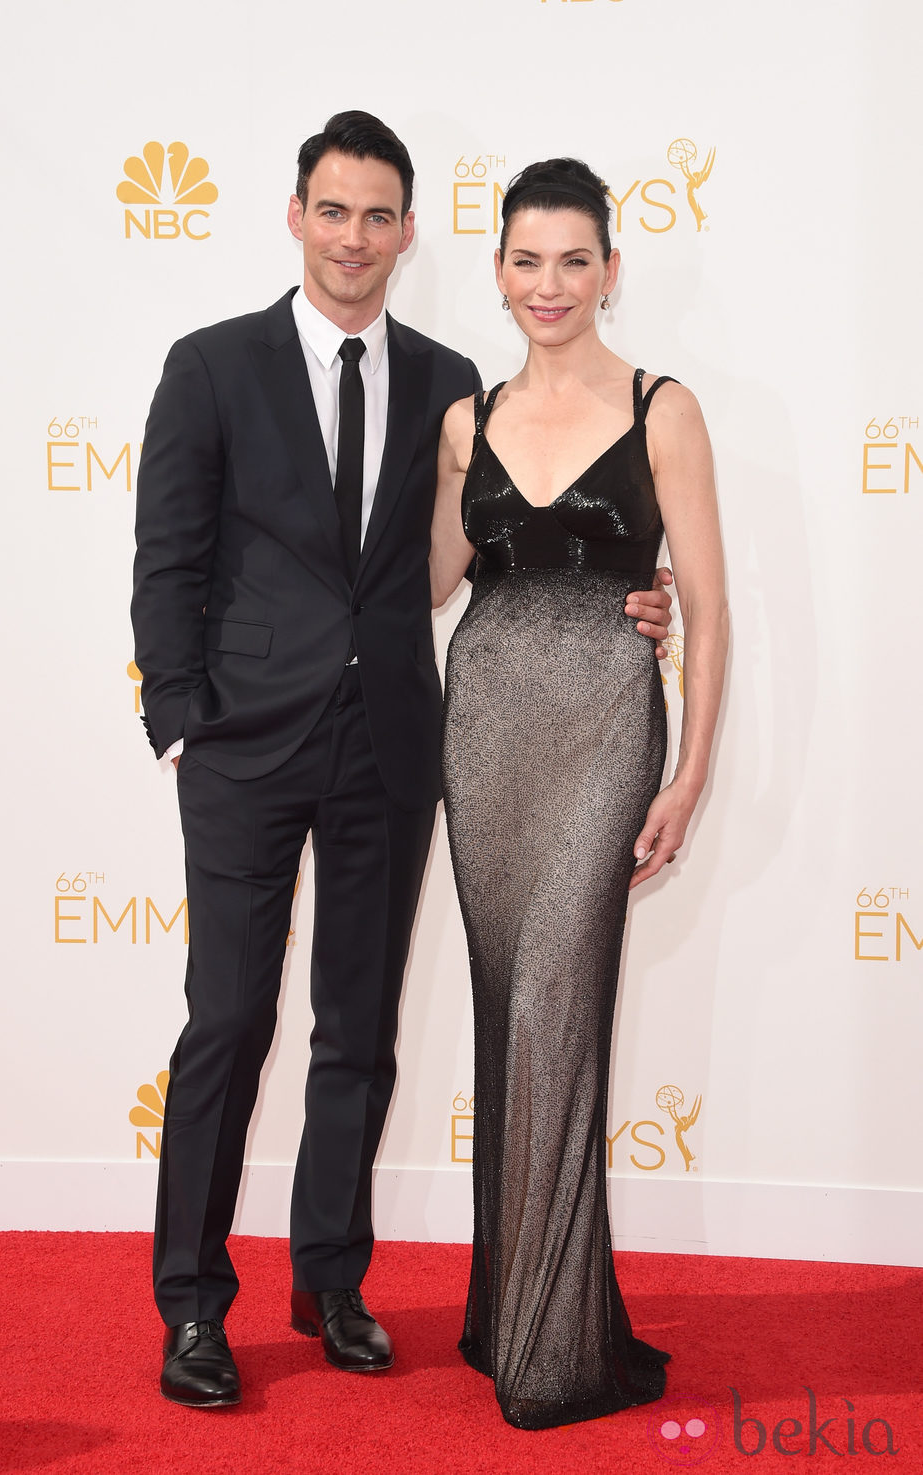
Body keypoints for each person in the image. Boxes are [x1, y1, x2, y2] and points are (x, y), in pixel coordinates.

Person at [131, 116, 676, 1410]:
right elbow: (167, 557)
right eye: (334, 211)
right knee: (227, 1021)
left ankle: (330, 1273)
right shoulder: (212, 366)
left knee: (359, 1032)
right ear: (295, 214)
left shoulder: (448, 383)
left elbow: (500, 536)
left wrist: (630, 592)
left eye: (380, 217)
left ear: (410, 233)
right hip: (245, 753)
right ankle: (195, 1304)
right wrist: (184, 719)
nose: (355, 238)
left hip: (393, 751)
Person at [431, 158, 728, 1430]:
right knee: (512, 1004)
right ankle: (516, 1309)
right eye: (524, 260)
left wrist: (690, 770)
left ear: (611, 270)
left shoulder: (664, 407)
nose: (547, 285)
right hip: (484, 726)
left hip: (607, 727)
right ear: (496, 270)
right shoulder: (465, 417)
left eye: (572, 260)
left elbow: (707, 611)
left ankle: (549, 1352)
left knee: (558, 995)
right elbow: (430, 582)